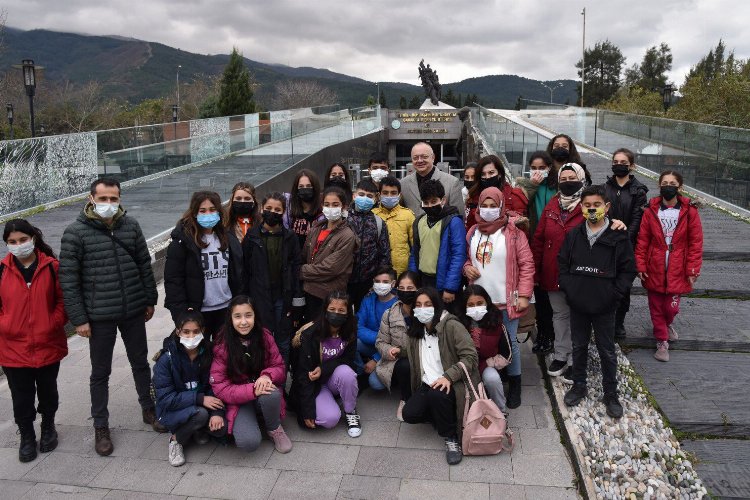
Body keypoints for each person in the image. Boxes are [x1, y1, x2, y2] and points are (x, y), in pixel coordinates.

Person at [60, 178, 161, 456]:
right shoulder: (75, 233)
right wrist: (79, 319)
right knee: (100, 372)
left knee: (140, 362)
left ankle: (148, 408)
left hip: (132, 309)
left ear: (119, 199)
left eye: (113, 199)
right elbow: (69, 280)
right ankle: (101, 426)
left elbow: (144, 263)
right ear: (91, 198)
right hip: (99, 315)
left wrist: (149, 299)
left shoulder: (131, 226)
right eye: (103, 199)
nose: (108, 204)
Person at [560, 186, 636, 418]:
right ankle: (579, 385)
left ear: (607, 207)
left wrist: (614, 295)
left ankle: (610, 393)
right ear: (580, 206)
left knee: (606, 350)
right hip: (579, 305)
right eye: (587, 205)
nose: (592, 209)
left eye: (597, 205)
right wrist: (570, 292)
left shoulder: (618, 235)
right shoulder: (573, 235)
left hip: (605, 307)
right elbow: (562, 265)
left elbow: (628, 270)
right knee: (579, 346)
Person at [1, 219, 68, 463]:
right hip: (13, 348)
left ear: (33, 238)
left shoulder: (52, 267)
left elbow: (63, 301)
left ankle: (48, 427)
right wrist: (6, 325)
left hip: (48, 343)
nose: (18, 245)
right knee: (22, 396)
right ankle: (27, 436)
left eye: (22, 240)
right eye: (12, 242)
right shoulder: (1, 270)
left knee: (48, 391)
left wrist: (52, 322)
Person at [462, 187, 535, 408]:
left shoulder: (514, 233)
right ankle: (489, 377)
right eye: (485, 205)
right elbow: (468, 259)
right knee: (481, 340)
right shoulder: (473, 231)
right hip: (480, 302)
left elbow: (526, 265)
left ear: (502, 207)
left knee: (510, 342)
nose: (489, 210)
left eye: (494, 206)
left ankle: (514, 383)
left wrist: (524, 295)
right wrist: (467, 268)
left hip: (506, 301)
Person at [401, 287, 479, 465]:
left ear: (437, 306)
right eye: (419, 305)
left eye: (428, 304)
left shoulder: (452, 326)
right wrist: (395, 351)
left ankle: (451, 438)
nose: (423, 308)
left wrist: (449, 376)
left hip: (453, 382)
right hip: (428, 383)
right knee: (409, 414)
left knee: (437, 394)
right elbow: (411, 351)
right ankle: (443, 414)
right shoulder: (416, 330)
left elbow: (470, 356)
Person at [210, 296, 292, 453]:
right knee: (249, 443)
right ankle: (252, 418)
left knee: (272, 393)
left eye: (248, 315)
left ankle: (274, 428)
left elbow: (279, 366)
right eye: (237, 316)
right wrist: (252, 390)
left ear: (255, 316)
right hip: (239, 400)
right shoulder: (222, 344)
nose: (243, 322)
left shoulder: (265, 336)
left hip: (263, 393)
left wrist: (267, 375)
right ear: (230, 318)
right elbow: (220, 387)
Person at [635, 171, 703, 362]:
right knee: (656, 307)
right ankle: (662, 341)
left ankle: (667, 324)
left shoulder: (690, 212)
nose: (668, 186)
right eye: (664, 182)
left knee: (670, 308)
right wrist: (640, 265)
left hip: (677, 266)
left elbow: (696, 243)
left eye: (672, 183)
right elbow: (643, 240)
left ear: (679, 187)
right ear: (659, 185)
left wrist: (692, 269)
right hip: (654, 264)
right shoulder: (650, 211)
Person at [531, 164, 587, 380]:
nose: (567, 181)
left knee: (578, 317)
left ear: (581, 179)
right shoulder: (553, 204)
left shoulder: (587, 204)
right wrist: (536, 271)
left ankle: (576, 359)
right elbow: (539, 239)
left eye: (572, 177)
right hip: (552, 271)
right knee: (560, 315)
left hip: (578, 275)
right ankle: (562, 354)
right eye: (563, 178)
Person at [164, 191, 244, 340]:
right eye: (203, 210)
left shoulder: (228, 238)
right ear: (194, 213)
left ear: (219, 212)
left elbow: (238, 273)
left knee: (224, 356)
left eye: (212, 210)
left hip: (225, 309)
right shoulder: (183, 242)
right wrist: (181, 314)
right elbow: (173, 281)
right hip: (198, 312)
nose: (208, 214)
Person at [152, 311, 227, 467]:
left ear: (203, 331)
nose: (191, 336)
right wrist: (199, 399)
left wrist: (217, 413)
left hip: (202, 403)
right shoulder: (166, 360)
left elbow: (216, 385)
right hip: (173, 409)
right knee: (200, 415)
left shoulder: (210, 353)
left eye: (196, 331)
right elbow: (166, 399)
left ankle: (197, 429)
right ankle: (175, 440)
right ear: (178, 331)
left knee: (222, 429)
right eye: (186, 332)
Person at [243, 192, 304, 368]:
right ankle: (263, 378)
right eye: (268, 208)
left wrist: (296, 304)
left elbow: (295, 270)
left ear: (284, 212)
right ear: (262, 209)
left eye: (278, 209)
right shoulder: (252, 237)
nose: (272, 212)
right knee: (261, 341)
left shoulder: (290, 237)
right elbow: (245, 270)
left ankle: (280, 381)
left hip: (283, 299)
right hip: (259, 298)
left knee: (283, 342)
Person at [289, 290, 362, 437]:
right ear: (325, 310)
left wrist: (323, 369)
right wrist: (307, 410)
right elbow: (301, 374)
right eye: (332, 309)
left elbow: (348, 360)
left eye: (341, 310)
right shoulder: (309, 334)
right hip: (314, 384)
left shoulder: (350, 329)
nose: (336, 313)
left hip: (333, 377)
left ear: (348, 313)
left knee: (347, 372)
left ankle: (350, 411)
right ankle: (330, 401)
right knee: (330, 420)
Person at [604, 148, 649, 339]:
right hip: (606, 243)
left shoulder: (638, 191)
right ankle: (605, 320)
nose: (618, 165)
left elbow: (637, 219)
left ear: (631, 166)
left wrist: (624, 239)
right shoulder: (605, 188)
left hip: (627, 245)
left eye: (623, 162)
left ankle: (619, 322)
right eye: (616, 161)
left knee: (623, 286)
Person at [515, 151, 556, 354]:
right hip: (533, 244)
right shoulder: (524, 185)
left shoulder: (556, 187)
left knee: (551, 294)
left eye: (542, 168)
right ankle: (542, 333)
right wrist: (531, 184)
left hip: (553, 244)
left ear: (549, 168)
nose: (538, 172)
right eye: (534, 167)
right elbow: (520, 205)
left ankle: (552, 335)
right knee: (537, 291)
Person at [300, 186, 359, 321]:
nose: (330, 208)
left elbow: (330, 269)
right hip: (308, 292)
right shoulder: (316, 228)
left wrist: (300, 271)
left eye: (335, 204)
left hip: (329, 296)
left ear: (344, 207)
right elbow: (305, 256)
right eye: (327, 204)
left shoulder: (347, 235)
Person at [408, 179, 466, 311]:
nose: (430, 205)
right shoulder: (418, 222)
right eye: (426, 203)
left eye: (434, 201)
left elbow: (458, 255)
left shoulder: (454, 222)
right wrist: (412, 280)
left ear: (443, 200)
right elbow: (415, 253)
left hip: (443, 282)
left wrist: (450, 287)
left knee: (445, 321)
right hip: (423, 280)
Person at [372, 271, 420, 420]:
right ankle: (405, 398)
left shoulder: (425, 312)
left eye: (410, 288)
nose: (405, 292)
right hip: (399, 361)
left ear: (419, 289)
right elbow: (380, 342)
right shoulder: (390, 313)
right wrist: (389, 350)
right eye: (402, 288)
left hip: (423, 359)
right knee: (375, 382)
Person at [458, 285, 513, 413]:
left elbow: (507, 354)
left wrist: (489, 363)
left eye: (479, 303)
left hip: (488, 366)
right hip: (464, 367)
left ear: (486, 303)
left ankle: (500, 412)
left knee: (492, 379)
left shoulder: (496, 323)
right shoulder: (458, 324)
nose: (475, 307)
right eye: (470, 305)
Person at [347, 178, 392, 309]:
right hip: (345, 280)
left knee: (364, 315)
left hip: (368, 282)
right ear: (354, 195)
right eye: (361, 195)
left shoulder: (378, 223)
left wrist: (379, 280)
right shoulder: (344, 219)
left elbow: (385, 254)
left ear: (375, 199)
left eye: (369, 196)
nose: (365, 198)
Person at [400, 142, 464, 218]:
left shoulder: (452, 182)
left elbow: (459, 216)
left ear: (433, 157)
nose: (420, 160)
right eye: (415, 158)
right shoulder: (403, 184)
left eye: (424, 157)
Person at [356, 267, 398, 377]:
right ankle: (360, 373)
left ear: (393, 284)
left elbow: (397, 341)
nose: (380, 284)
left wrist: (376, 359)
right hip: (372, 344)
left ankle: (390, 371)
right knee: (351, 341)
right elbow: (358, 326)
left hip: (390, 350)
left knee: (375, 384)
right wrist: (382, 339)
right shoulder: (368, 299)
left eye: (385, 282)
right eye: (377, 281)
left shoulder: (399, 304)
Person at [465, 155, 528, 229]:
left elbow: (522, 229)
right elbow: (469, 228)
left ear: (500, 174)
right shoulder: (474, 196)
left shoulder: (514, 196)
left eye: (491, 173)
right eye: (483, 174)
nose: (487, 177)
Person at [373, 176, 415, 276]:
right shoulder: (372, 215)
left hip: (402, 272)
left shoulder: (408, 215)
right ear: (379, 195)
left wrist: (412, 270)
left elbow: (415, 246)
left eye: (393, 193)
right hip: (378, 272)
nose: (389, 196)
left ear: (399, 195)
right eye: (385, 193)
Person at [284, 169, 324, 250]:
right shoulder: (289, 207)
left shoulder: (323, 209)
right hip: (294, 255)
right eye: (301, 186)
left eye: (308, 186)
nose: (305, 189)